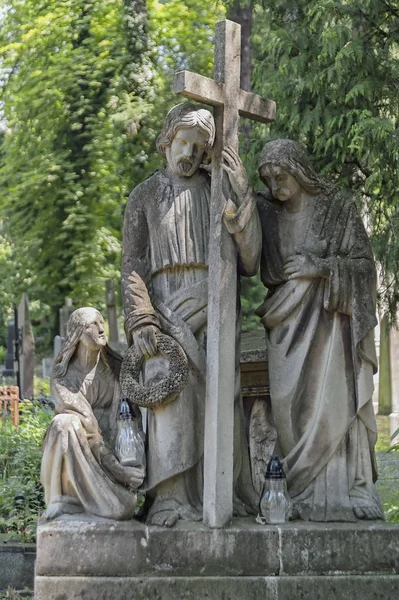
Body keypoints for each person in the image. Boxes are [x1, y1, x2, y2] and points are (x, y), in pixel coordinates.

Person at [121, 103, 261, 527]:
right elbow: (133, 264)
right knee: (168, 391)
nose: (190, 154)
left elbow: (251, 261)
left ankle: (219, 493)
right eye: (184, 142)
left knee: (220, 397)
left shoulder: (217, 190)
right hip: (165, 309)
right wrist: (141, 317)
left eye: (200, 149)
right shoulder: (144, 195)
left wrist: (241, 192)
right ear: (166, 139)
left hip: (216, 302)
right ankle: (170, 497)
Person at [235, 138, 382, 521]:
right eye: (267, 178)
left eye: (280, 176)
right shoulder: (267, 212)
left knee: (337, 402)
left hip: (332, 325)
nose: (274, 185)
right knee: (290, 409)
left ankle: (351, 490)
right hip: (285, 325)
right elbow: (249, 259)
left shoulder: (337, 208)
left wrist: (319, 268)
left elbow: (365, 267)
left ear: (299, 170)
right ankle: (296, 489)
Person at [41, 307, 144, 521]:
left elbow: (128, 420)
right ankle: (64, 500)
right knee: (65, 423)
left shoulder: (117, 370)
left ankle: (106, 495)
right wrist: (116, 469)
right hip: (86, 451)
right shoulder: (64, 376)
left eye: (102, 322)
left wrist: (132, 463)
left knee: (122, 508)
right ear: (78, 332)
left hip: (113, 454)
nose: (100, 329)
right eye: (92, 324)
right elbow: (88, 428)